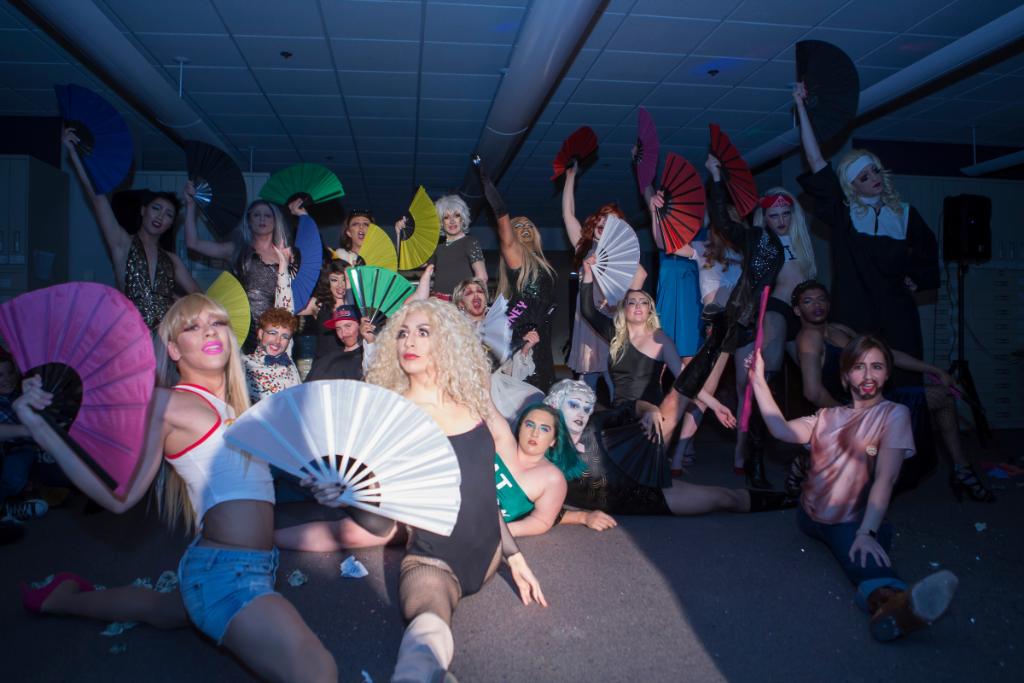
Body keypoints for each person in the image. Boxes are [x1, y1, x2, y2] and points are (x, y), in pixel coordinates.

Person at [15, 294, 337, 681]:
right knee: (317, 671)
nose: (209, 332)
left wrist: (315, 483)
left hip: (251, 563)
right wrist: (41, 429)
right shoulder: (166, 403)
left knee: (163, 610)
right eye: (192, 327)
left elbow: (247, 481)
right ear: (173, 349)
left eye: (216, 323)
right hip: (226, 575)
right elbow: (118, 499)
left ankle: (63, 599)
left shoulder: (235, 408)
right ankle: (67, 599)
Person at [299, 298, 546, 681]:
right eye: (402, 333)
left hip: (488, 556)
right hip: (433, 564)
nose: (408, 341)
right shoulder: (393, 416)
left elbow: (481, 490)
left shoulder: (470, 401)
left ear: (445, 341)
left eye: (422, 332)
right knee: (424, 639)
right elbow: (383, 525)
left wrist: (513, 555)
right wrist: (349, 496)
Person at [749, 334, 958, 642]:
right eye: (859, 367)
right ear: (846, 376)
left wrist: (866, 533)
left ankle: (892, 606)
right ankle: (882, 556)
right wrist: (757, 380)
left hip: (848, 520)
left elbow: (886, 479)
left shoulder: (893, 414)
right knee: (862, 543)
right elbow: (781, 429)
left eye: (877, 366)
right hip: (807, 517)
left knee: (864, 557)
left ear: (887, 374)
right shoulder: (826, 415)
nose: (868, 375)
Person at [791, 280, 994, 502]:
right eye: (808, 301)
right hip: (848, 408)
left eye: (821, 299)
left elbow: (888, 355)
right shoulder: (809, 339)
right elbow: (813, 392)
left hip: (875, 400)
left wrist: (934, 370)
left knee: (943, 397)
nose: (817, 305)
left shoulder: (840, 329)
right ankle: (806, 462)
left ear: (829, 304)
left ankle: (961, 469)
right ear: (797, 310)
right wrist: (852, 417)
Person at [794, 82, 939, 387]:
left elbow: (928, 253)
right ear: (852, 186)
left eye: (874, 171)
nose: (873, 178)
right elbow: (816, 161)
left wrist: (916, 278)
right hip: (854, 313)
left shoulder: (905, 215)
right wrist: (802, 108)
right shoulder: (844, 214)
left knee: (904, 381)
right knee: (858, 378)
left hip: (897, 314)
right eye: (864, 176)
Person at [659, 155, 789, 489]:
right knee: (705, 392)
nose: (730, 224)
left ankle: (741, 457)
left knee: (748, 390)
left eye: (734, 219)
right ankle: (678, 455)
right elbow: (667, 242)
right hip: (718, 325)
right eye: (725, 220)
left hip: (745, 323)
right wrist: (657, 209)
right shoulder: (702, 249)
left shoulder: (748, 252)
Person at [544, 379, 793, 519]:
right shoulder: (542, 448)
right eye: (574, 405)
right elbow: (531, 501)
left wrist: (651, 411)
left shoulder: (596, 422)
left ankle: (793, 499)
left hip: (637, 467)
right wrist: (583, 518)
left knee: (728, 498)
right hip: (644, 500)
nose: (581, 413)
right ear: (555, 405)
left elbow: (632, 407)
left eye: (586, 408)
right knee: (723, 499)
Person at [62, 128, 199, 329]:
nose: (161, 216)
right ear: (143, 211)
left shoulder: (172, 260)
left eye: (168, 214)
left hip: (164, 335)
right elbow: (98, 199)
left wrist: (176, 300)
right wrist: (75, 155)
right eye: (156, 208)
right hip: (129, 332)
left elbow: (199, 296)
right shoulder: (122, 243)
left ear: (171, 224)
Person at [562, 164, 646, 396]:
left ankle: (624, 416)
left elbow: (641, 275)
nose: (604, 223)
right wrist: (570, 178)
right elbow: (568, 214)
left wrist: (620, 304)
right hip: (586, 321)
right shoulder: (585, 246)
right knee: (585, 385)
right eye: (603, 218)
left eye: (612, 222)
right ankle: (582, 417)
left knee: (614, 382)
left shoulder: (620, 254)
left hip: (606, 320)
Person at [476, 160, 558, 392]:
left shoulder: (542, 263)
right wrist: (488, 186)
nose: (525, 228)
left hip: (541, 328)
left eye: (528, 226)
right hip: (524, 327)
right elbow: (503, 220)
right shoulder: (517, 258)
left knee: (543, 385)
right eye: (518, 226)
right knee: (528, 388)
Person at [184, 188, 300, 349]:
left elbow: (297, 292)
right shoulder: (236, 249)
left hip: (277, 328)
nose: (262, 219)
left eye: (267, 215)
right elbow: (193, 243)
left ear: (275, 220)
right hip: (243, 325)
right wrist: (190, 205)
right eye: (256, 215)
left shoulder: (286, 253)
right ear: (249, 221)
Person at [495, 402, 615, 534]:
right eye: (529, 425)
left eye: (544, 429)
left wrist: (499, 532)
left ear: (553, 440)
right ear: (520, 429)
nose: (534, 433)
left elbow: (542, 519)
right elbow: (484, 403)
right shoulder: (502, 441)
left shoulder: (552, 479)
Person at [0, 352, 49, 528]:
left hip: (32, 445)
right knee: (15, 475)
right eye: (0, 375)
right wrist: (31, 431)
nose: (7, 379)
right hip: (12, 449)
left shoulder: (21, 392)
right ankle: (6, 509)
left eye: (10, 372)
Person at [426, 194, 488, 297]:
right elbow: (416, 263)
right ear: (441, 223)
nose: (452, 221)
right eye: (446, 217)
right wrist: (400, 232)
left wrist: (469, 300)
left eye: (456, 215)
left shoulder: (470, 242)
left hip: (460, 302)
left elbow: (482, 277)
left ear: (462, 219)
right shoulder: (438, 247)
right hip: (438, 303)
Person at [242, 307, 301, 403]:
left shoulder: (289, 364)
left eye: (285, 337)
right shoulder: (244, 364)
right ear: (261, 334)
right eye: (273, 333)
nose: (277, 341)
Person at [304, 304, 375, 382]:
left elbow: (372, 373)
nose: (343, 333)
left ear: (361, 325)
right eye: (338, 329)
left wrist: (370, 341)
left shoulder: (369, 355)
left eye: (348, 326)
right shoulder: (325, 359)